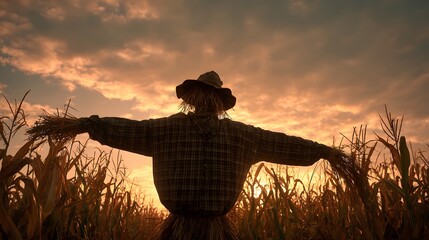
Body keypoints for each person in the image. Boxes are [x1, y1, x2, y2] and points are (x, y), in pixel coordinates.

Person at [77, 71, 342, 240]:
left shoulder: (166, 129)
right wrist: (323, 151)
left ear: (190, 98)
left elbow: (126, 129)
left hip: (188, 230)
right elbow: (284, 144)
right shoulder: (241, 135)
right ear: (219, 102)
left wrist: (87, 125)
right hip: (203, 230)